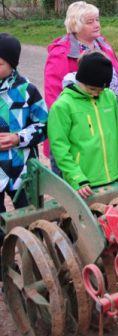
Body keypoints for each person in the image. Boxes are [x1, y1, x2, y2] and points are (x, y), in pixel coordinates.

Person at [48, 51, 118, 198]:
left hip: (113, 177)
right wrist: (76, 177)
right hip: (85, 182)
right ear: (80, 80)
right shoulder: (62, 106)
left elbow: (117, 137)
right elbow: (59, 147)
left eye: (101, 90)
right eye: (92, 89)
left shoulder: (109, 97)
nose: (96, 94)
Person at [0, 33, 47, 238]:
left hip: (22, 169)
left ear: (12, 64)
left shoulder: (27, 90)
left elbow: (44, 125)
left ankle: (34, 254)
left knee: (31, 218)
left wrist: (18, 138)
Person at [44, 1, 118, 117]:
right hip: (86, 117)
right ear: (75, 25)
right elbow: (54, 95)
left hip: (114, 112)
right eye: (90, 22)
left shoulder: (104, 45)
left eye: (97, 20)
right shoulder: (61, 54)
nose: (97, 25)